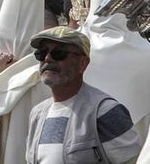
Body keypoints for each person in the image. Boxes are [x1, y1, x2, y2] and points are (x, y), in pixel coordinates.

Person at [25, 27, 141, 164]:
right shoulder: (37, 114)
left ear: (82, 63)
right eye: (41, 53)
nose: (47, 58)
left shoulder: (105, 111)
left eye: (59, 53)